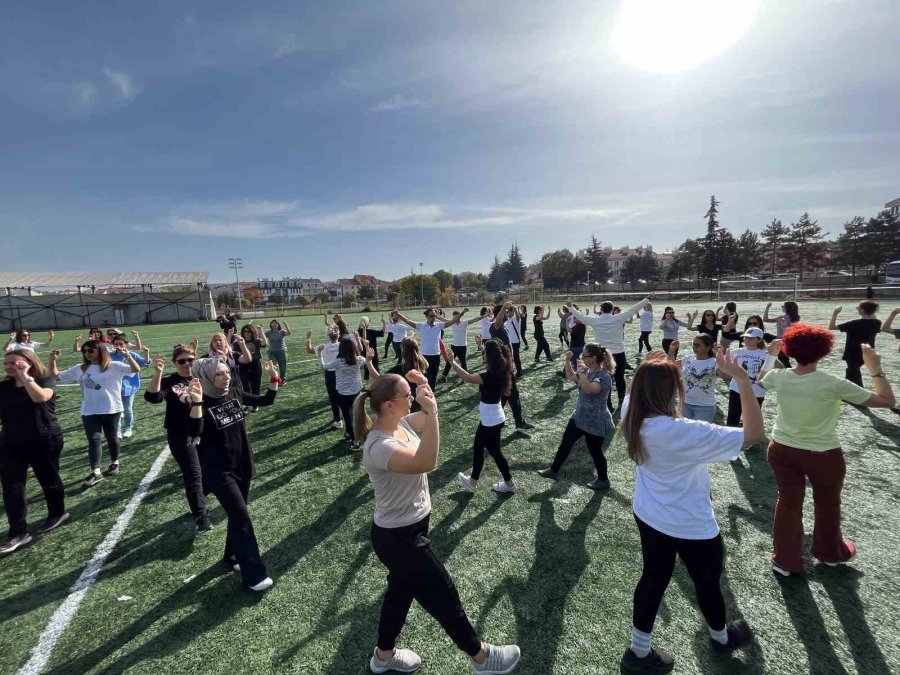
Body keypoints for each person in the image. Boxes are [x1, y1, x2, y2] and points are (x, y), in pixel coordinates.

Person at [353, 374, 521, 674]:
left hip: (410, 529)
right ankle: (481, 658)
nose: (412, 399)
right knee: (444, 596)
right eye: (408, 396)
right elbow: (425, 460)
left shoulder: (400, 423)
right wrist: (429, 411)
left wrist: (425, 393)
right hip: (399, 538)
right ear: (390, 405)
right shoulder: (380, 445)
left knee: (399, 594)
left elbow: (431, 415)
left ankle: (383, 656)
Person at [619, 349, 766, 673]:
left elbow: (630, 392)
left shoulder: (630, 414)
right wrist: (742, 380)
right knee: (707, 582)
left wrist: (648, 367)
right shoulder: (685, 431)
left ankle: (638, 653)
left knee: (653, 578)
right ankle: (721, 638)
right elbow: (755, 435)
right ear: (671, 391)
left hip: (648, 515)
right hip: (692, 526)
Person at [758, 326, 895, 576]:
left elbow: (761, 381)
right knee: (828, 503)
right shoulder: (833, 383)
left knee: (788, 502)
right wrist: (875, 367)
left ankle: (785, 561)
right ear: (823, 351)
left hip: (781, 448)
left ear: (790, 349)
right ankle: (830, 553)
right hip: (823, 453)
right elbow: (887, 401)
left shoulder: (781, 376)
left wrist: (771, 355)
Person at [188, 357, 280, 592]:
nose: (226, 377)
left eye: (226, 372)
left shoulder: (234, 393)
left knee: (237, 515)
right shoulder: (200, 402)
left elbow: (266, 400)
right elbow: (193, 434)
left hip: (243, 464)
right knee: (241, 516)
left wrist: (273, 377)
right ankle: (254, 576)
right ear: (206, 377)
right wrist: (196, 404)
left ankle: (232, 556)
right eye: (219, 374)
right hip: (220, 471)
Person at [0, 350, 68, 556]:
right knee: (12, 486)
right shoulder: (3, 387)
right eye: (6, 363)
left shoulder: (44, 379)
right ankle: (18, 532)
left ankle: (58, 513)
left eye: (14, 362)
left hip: (44, 439)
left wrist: (26, 377)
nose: (9, 366)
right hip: (11, 442)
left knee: (48, 479)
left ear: (29, 362)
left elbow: (41, 398)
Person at [50, 340, 140, 487]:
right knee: (94, 439)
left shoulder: (114, 366)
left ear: (100, 350)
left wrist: (127, 355)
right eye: (84, 351)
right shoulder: (81, 368)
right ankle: (96, 472)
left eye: (90, 351)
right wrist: (52, 361)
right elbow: (56, 376)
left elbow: (135, 370)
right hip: (89, 410)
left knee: (111, 437)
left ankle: (115, 462)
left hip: (112, 408)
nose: (87, 354)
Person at [144, 345, 212, 533]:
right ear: (175, 363)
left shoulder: (204, 377)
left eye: (190, 360)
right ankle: (201, 516)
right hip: (180, 434)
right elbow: (153, 397)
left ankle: (199, 495)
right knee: (193, 474)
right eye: (182, 361)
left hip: (203, 431)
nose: (186, 364)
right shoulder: (170, 381)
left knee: (208, 471)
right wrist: (158, 373)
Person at [536, 343, 615, 490]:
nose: (581, 357)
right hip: (579, 416)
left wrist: (583, 373)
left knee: (595, 452)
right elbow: (571, 376)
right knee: (565, 444)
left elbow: (590, 390)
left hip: (595, 421)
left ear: (593, 358)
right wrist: (567, 361)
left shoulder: (604, 376)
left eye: (584, 355)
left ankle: (603, 480)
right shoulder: (587, 370)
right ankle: (554, 470)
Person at [451, 339, 518, 495]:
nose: (483, 353)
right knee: (494, 452)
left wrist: (453, 362)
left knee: (479, 448)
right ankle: (508, 484)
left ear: (490, 356)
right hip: (495, 418)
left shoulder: (490, 375)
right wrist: (483, 344)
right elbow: (494, 354)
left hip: (490, 421)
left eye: (484, 352)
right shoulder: (501, 369)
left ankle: (473, 482)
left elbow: (467, 377)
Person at [568, 295, 650, 410]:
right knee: (620, 378)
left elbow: (580, 316)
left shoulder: (596, 320)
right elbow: (634, 309)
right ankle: (622, 401)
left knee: (605, 379)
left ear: (601, 310)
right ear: (612, 309)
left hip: (603, 354)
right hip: (618, 353)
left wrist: (571, 307)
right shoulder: (618, 318)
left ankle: (608, 404)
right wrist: (647, 299)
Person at [320, 336, 377, 450]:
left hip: (343, 395)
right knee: (358, 416)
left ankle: (354, 442)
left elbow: (324, 366)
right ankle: (355, 435)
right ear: (353, 348)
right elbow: (368, 361)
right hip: (357, 393)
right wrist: (366, 346)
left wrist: (319, 354)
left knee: (348, 418)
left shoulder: (337, 362)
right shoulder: (358, 359)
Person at [395, 308, 466, 391]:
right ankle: (422, 393)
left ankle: (431, 393)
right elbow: (408, 321)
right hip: (423, 357)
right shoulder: (421, 325)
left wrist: (463, 312)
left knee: (433, 377)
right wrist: (398, 314)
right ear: (426, 316)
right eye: (431, 316)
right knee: (423, 377)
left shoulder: (439, 325)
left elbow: (453, 321)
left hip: (436, 356)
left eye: (435, 316)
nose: (434, 317)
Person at [724, 327, 777, 427]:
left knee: (751, 420)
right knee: (732, 419)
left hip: (756, 391)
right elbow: (726, 368)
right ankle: (731, 440)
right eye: (745, 338)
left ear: (760, 340)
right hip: (736, 389)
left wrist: (772, 354)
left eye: (751, 338)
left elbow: (779, 367)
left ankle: (749, 439)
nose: (746, 340)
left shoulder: (766, 354)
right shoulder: (736, 352)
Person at [667, 335, 721, 422]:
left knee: (699, 434)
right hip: (685, 404)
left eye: (698, 345)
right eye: (693, 344)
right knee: (683, 433)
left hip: (705, 407)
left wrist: (719, 358)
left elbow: (725, 375)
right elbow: (671, 365)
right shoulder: (689, 359)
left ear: (707, 347)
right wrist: (672, 349)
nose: (694, 347)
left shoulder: (714, 362)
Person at [829, 301, 881, 386]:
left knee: (852, 376)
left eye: (859, 307)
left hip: (852, 354)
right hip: (867, 353)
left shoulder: (853, 324)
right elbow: (871, 318)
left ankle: (855, 394)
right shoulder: (877, 323)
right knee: (853, 374)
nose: (857, 308)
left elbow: (831, 327)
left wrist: (835, 312)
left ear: (863, 310)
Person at [109, 333, 149, 438]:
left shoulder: (132, 355)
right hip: (113, 388)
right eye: (116, 344)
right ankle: (117, 430)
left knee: (127, 409)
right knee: (115, 410)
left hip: (129, 387)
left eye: (121, 344)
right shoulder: (109, 356)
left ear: (126, 345)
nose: (119, 346)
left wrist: (146, 353)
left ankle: (128, 428)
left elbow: (145, 363)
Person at [308, 327, 344, 428]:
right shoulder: (343, 345)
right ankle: (345, 414)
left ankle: (338, 421)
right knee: (343, 394)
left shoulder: (323, 346)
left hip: (330, 374)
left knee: (333, 397)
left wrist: (308, 338)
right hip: (342, 372)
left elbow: (309, 350)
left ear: (328, 336)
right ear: (339, 335)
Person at [208, 332, 252, 399]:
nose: (218, 342)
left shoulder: (232, 355)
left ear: (225, 342)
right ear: (212, 344)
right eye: (215, 341)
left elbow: (247, 359)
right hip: (217, 391)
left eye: (220, 340)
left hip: (234, 389)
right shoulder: (207, 358)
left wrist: (242, 345)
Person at [233, 325, 266, 409]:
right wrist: (230, 334)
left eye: (249, 331)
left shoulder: (256, 341)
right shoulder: (238, 342)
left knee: (256, 384)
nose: (247, 333)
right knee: (245, 385)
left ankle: (255, 404)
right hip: (243, 365)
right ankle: (248, 403)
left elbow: (264, 342)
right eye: (245, 331)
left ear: (252, 332)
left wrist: (261, 330)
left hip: (255, 364)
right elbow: (230, 347)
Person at [441, 311, 475, 381]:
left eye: (456, 317)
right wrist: (435, 316)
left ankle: (465, 376)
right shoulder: (452, 323)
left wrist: (484, 316)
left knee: (463, 361)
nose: (454, 319)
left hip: (463, 346)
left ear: (459, 317)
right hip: (454, 346)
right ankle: (444, 375)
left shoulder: (464, 323)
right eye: (453, 317)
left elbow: (475, 320)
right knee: (449, 361)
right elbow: (443, 320)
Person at [764, 301, 800, 367]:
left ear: (786, 308)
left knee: (784, 361)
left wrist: (767, 307)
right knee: (765, 336)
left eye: (783, 306)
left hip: (781, 341)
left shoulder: (782, 318)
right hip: (790, 341)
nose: (782, 307)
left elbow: (765, 319)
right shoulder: (796, 318)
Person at [359, 316, 386, 381]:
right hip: (372, 352)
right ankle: (378, 380)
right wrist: (384, 323)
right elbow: (382, 333)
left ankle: (367, 382)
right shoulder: (371, 331)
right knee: (375, 366)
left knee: (366, 368)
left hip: (363, 353)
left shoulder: (358, 331)